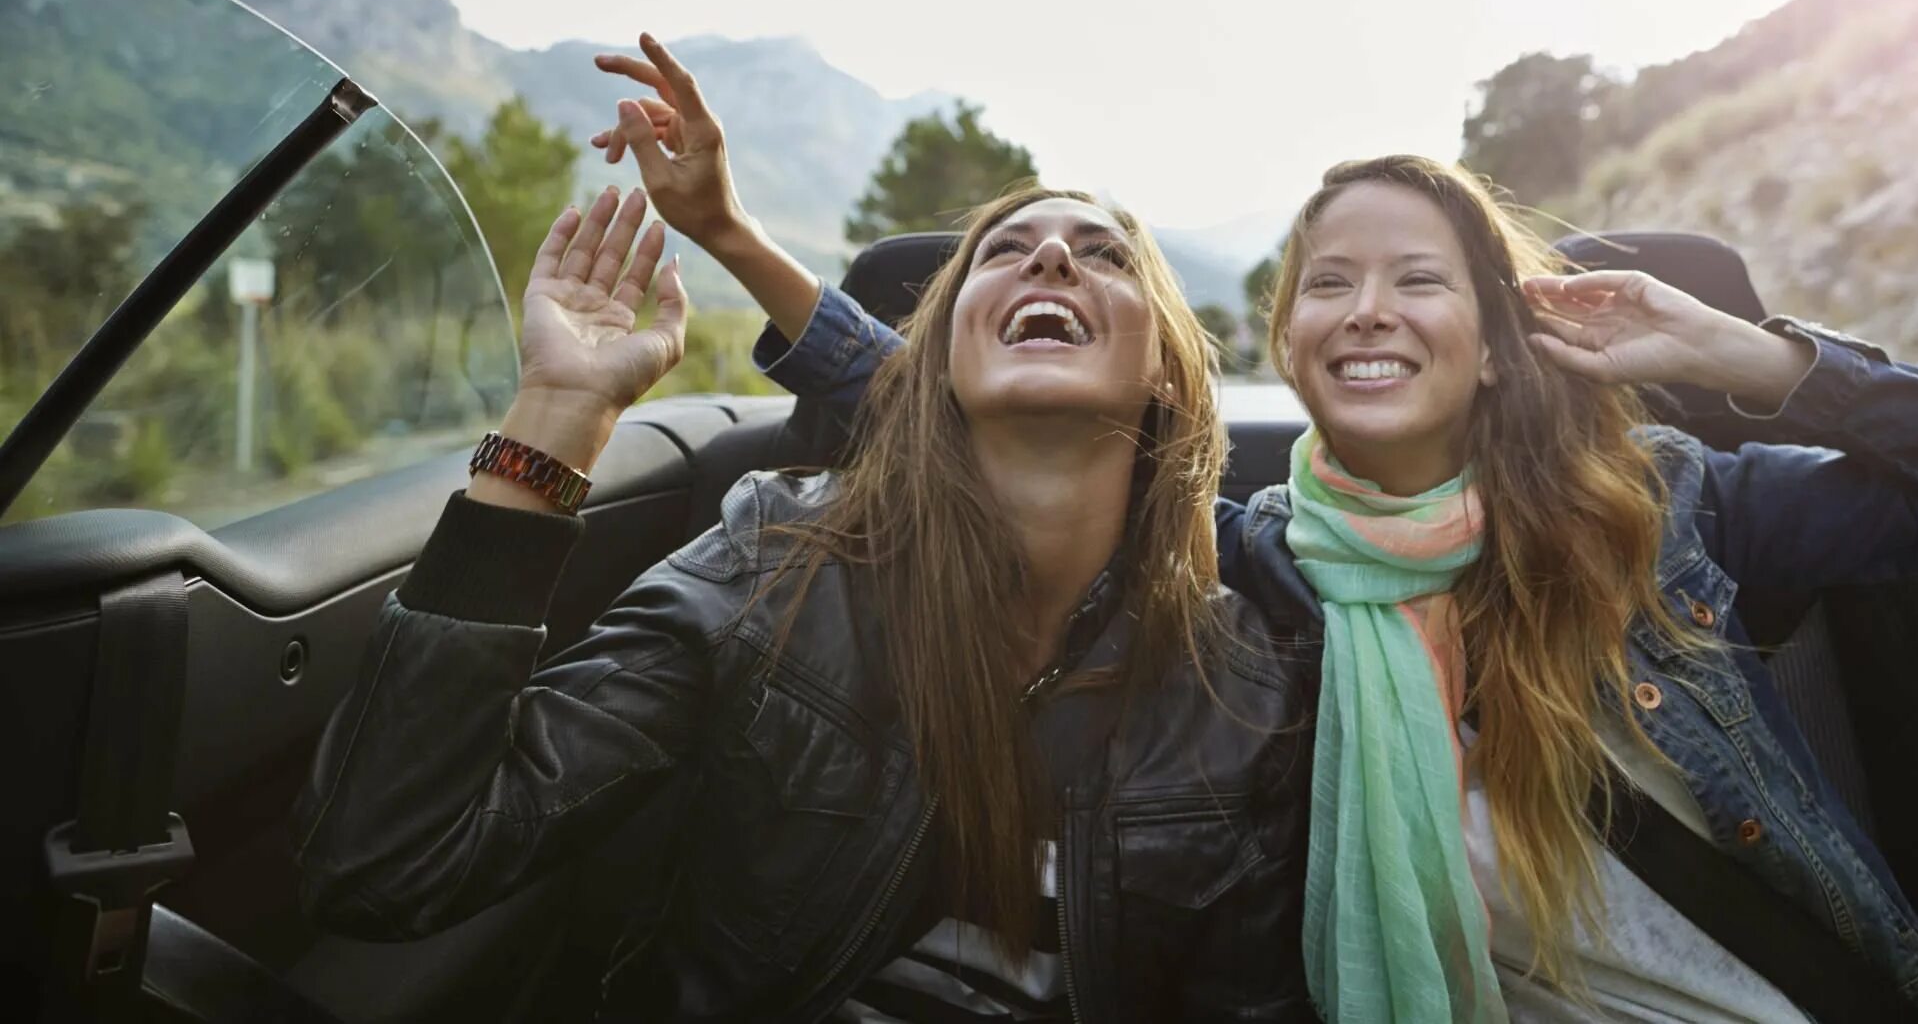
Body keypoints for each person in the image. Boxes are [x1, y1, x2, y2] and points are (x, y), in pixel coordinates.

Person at [587, 45, 1918, 1022]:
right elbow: (951, 405)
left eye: (1417, 278)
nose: (1367, 307)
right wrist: (728, 236)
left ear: (1497, 339)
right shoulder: (1253, 564)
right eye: (1328, 282)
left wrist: (1736, 349)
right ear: (1282, 343)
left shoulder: (1671, 503)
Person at [293, 166, 1318, 1021]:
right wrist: (556, 412)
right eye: (1004, 250)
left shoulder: (1249, 685)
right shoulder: (772, 558)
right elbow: (394, 860)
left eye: (1104, 254)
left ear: (1170, 375)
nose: (1049, 255)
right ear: (932, 365)